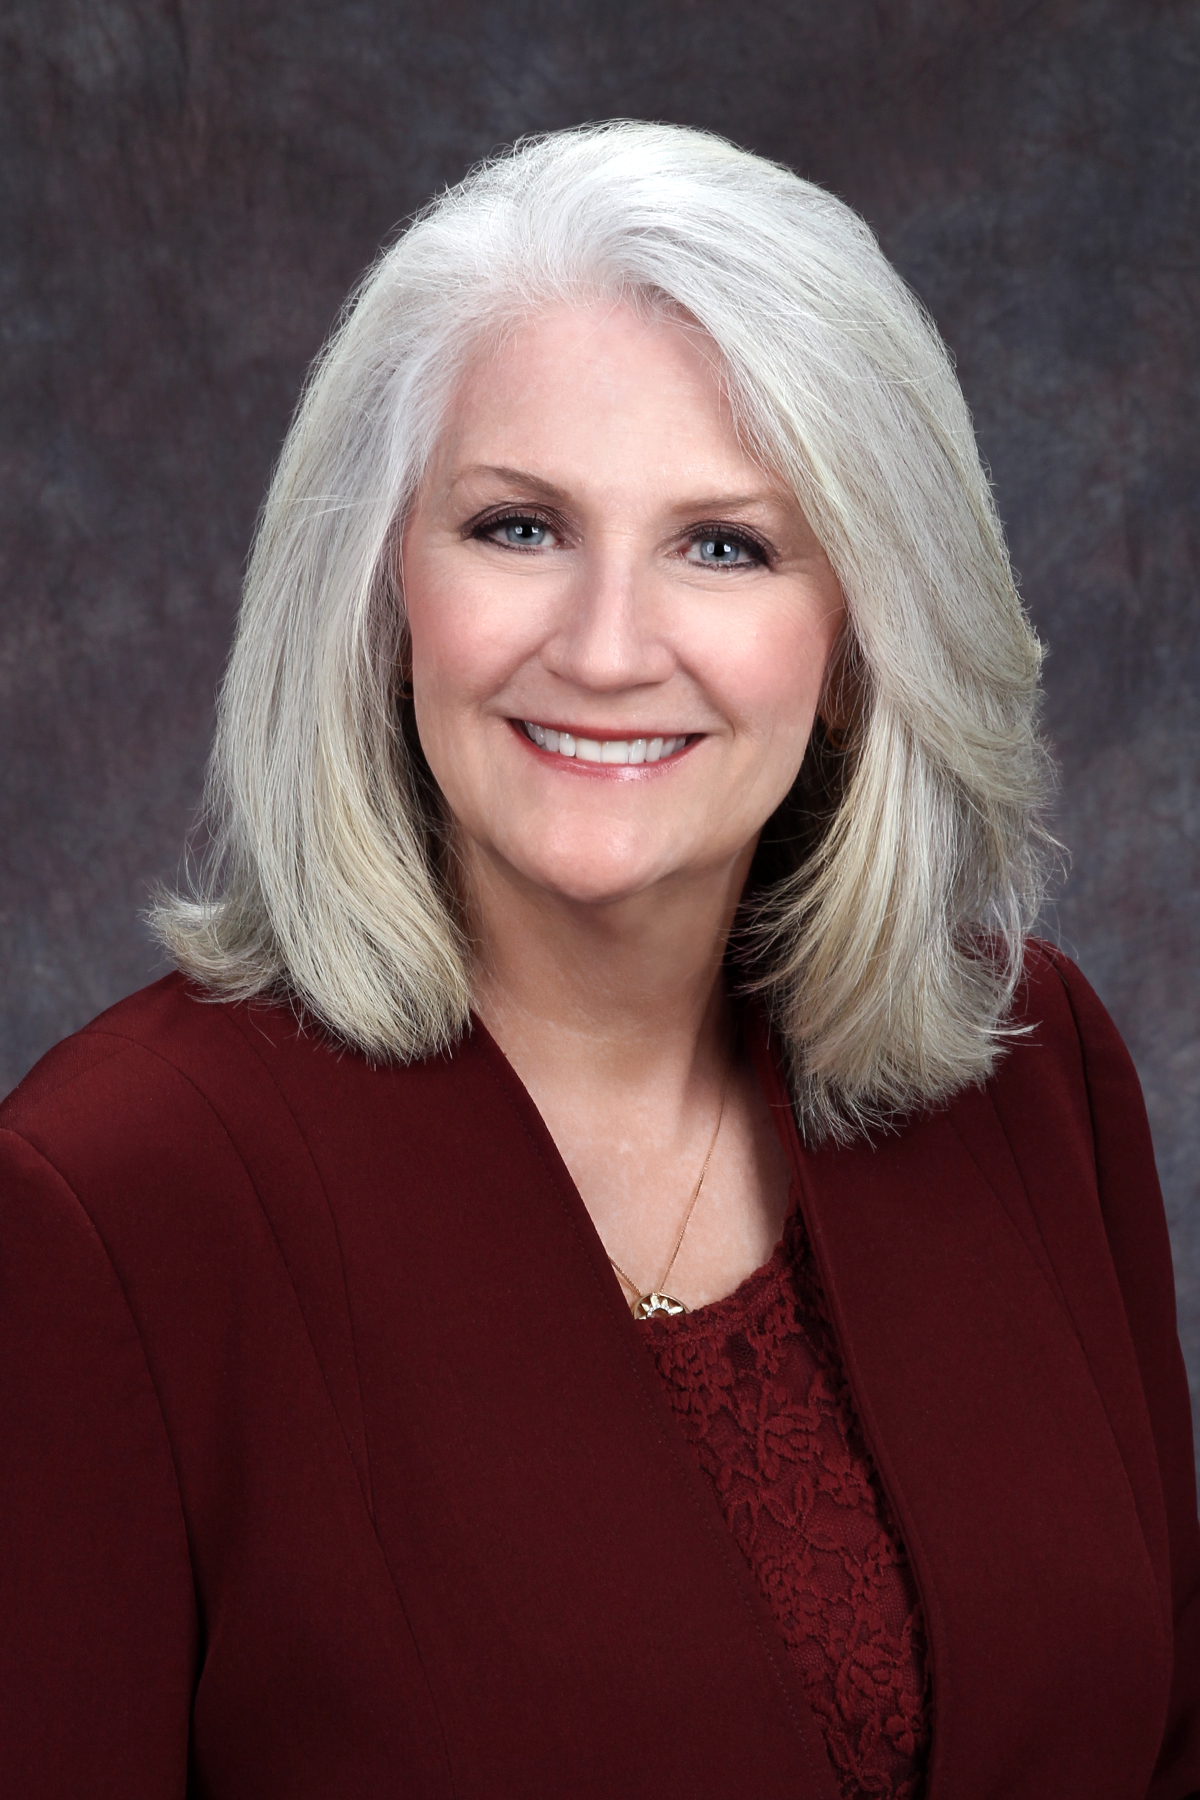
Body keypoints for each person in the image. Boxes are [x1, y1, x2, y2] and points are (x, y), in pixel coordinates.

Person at [1, 120, 1196, 1800]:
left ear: (857, 644)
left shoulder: (1031, 1065)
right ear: (382, 588)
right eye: (518, 528)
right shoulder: (108, 1203)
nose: (608, 646)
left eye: (726, 545)